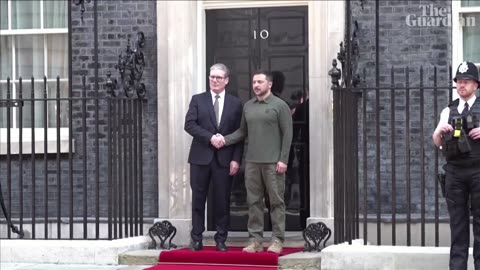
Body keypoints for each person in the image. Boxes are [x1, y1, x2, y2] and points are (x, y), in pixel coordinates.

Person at [212, 70, 293, 254]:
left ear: (269, 84)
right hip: (253, 163)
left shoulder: (280, 106)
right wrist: (223, 139)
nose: (256, 85)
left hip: (273, 163)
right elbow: (242, 132)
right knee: (254, 202)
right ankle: (255, 240)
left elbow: (288, 134)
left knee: (276, 202)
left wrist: (283, 159)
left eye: (260, 82)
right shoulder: (248, 106)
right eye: (254, 82)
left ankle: (277, 240)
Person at [184, 63, 243, 252]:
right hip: (200, 158)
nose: (214, 80)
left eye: (218, 77)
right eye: (212, 77)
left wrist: (236, 159)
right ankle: (196, 238)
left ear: (226, 80)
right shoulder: (198, 100)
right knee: (198, 200)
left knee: (222, 200)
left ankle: (221, 239)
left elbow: (240, 133)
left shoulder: (235, 103)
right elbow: (189, 125)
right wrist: (210, 137)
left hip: (224, 160)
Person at [432, 61, 480, 270]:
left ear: (476, 84)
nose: (461, 85)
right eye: (459, 82)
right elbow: (437, 142)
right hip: (455, 173)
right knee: (458, 227)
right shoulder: (448, 110)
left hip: (479, 171)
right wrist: (439, 133)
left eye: (466, 81)